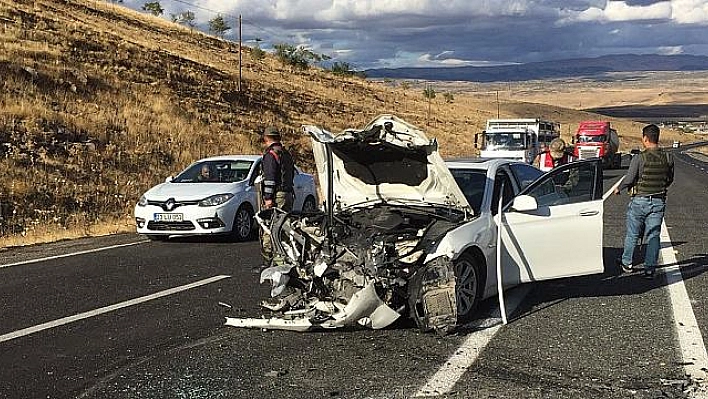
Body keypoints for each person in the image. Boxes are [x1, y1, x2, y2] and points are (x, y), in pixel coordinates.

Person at [614, 124, 674, 279]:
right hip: (658, 201)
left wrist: (618, 188)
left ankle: (627, 263)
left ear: (645, 138)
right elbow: (669, 179)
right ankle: (650, 268)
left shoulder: (639, 158)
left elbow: (629, 179)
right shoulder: (668, 157)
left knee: (632, 234)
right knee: (654, 235)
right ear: (657, 138)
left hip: (639, 201)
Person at [260, 126, 295, 260]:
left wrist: (268, 198)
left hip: (277, 195)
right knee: (284, 226)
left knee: (271, 226)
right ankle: (286, 256)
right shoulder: (285, 153)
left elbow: (270, 178)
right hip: (288, 194)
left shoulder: (271, 155)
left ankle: (270, 258)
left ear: (266, 138)